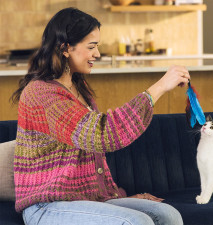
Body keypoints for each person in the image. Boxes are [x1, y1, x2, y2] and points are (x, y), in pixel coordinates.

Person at [11, 7, 190, 225]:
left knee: (168, 215)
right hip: (47, 205)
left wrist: (118, 198)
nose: (97, 54)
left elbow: (91, 152)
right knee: (136, 222)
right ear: (66, 48)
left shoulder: (78, 87)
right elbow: (100, 134)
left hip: (86, 199)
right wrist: (160, 87)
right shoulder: (42, 93)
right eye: (92, 47)